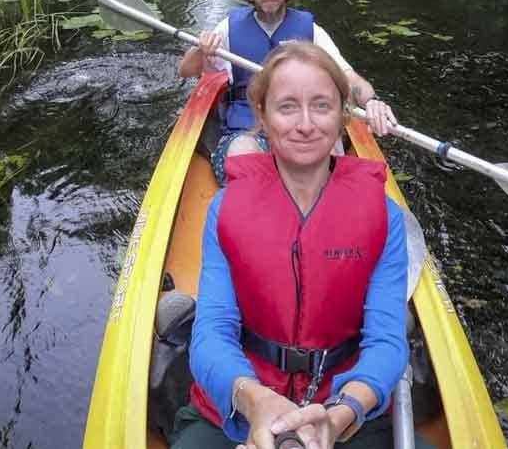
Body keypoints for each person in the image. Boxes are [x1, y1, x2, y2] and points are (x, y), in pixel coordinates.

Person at [170, 43, 432, 449]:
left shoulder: (386, 218)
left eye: (322, 106)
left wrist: (340, 413)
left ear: (343, 114)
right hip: (241, 405)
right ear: (262, 115)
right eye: (287, 107)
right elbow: (212, 333)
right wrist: (255, 401)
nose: (306, 124)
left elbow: (385, 341)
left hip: (347, 407)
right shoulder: (224, 209)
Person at [177, 0, 397, 185]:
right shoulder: (229, 28)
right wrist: (201, 49)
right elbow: (186, 70)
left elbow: (348, 77)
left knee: (327, 157)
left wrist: (372, 101)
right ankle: (254, 202)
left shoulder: (311, 31)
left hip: (301, 127)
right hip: (248, 127)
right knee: (243, 152)